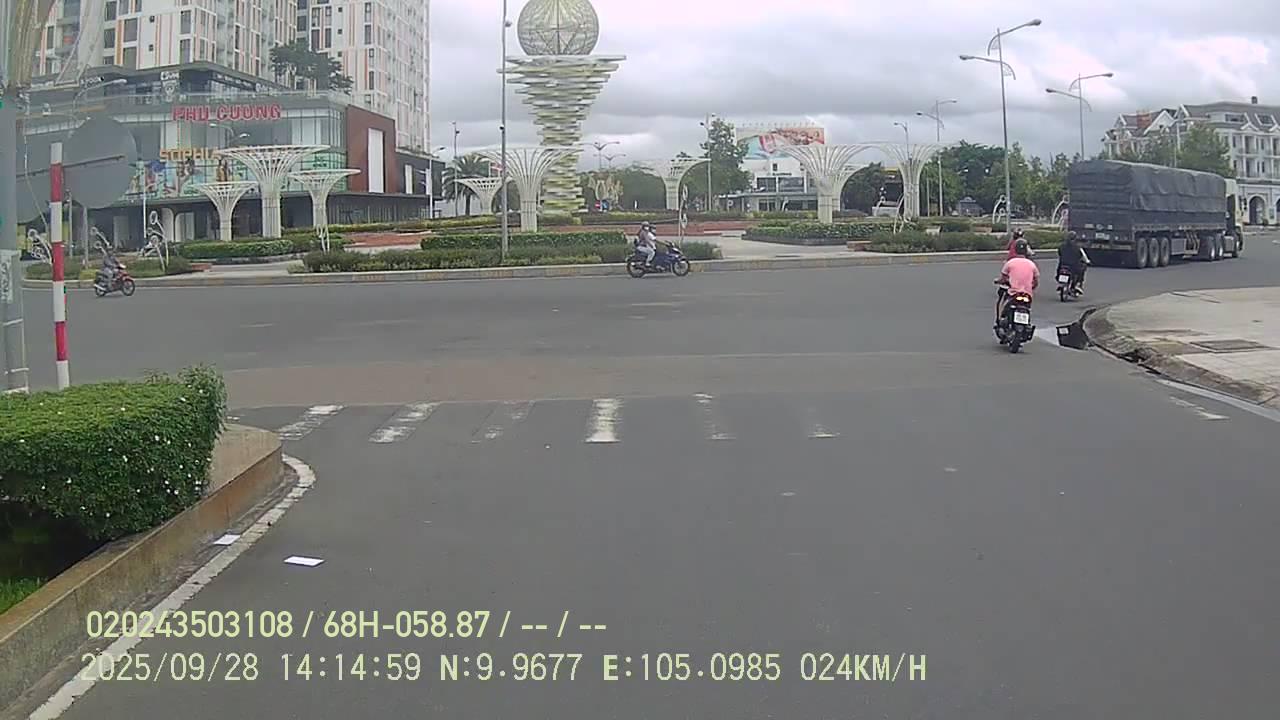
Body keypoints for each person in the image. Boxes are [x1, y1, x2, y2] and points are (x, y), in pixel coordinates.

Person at [996, 238, 1040, 325]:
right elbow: (1036, 281)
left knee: (1003, 305)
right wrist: (1032, 287)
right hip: (1027, 295)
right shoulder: (1032, 264)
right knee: (1027, 308)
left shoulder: (1010, 263)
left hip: (1013, 293)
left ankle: (1002, 320)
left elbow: (1003, 278)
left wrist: (998, 281)